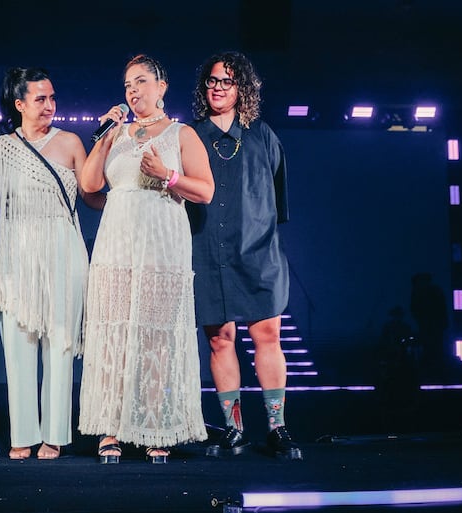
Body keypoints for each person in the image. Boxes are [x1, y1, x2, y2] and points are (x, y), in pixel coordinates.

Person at [78, 54, 214, 464]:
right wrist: (105, 137)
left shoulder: (181, 134)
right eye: (126, 86)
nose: (132, 91)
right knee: (112, 333)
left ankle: (155, 425)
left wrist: (167, 175)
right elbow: (88, 185)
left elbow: (205, 191)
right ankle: (111, 428)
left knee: (156, 337)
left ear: (162, 86)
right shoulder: (116, 133)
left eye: (140, 82)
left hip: (162, 246)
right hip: (117, 244)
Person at [188, 51, 302, 460]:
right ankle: (233, 430)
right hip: (207, 250)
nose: (218, 88)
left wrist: (258, 235)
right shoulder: (192, 136)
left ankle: (277, 427)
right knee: (221, 339)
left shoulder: (263, 135)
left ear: (242, 89)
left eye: (227, 81)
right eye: (213, 81)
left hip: (258, 250)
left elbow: (277, 200)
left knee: (266, 334)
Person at [0, 67, 103, 460]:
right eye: (40, 99)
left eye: (52, 97)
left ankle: (54, 434)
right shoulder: (2, 148)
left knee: (60, 343)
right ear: (19, 104)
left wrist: (131, 202)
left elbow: (91, 193)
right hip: (18, 249)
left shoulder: (70, 142)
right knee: (18, 344)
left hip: (63, 247)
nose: (49, 105)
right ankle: (22, 433)